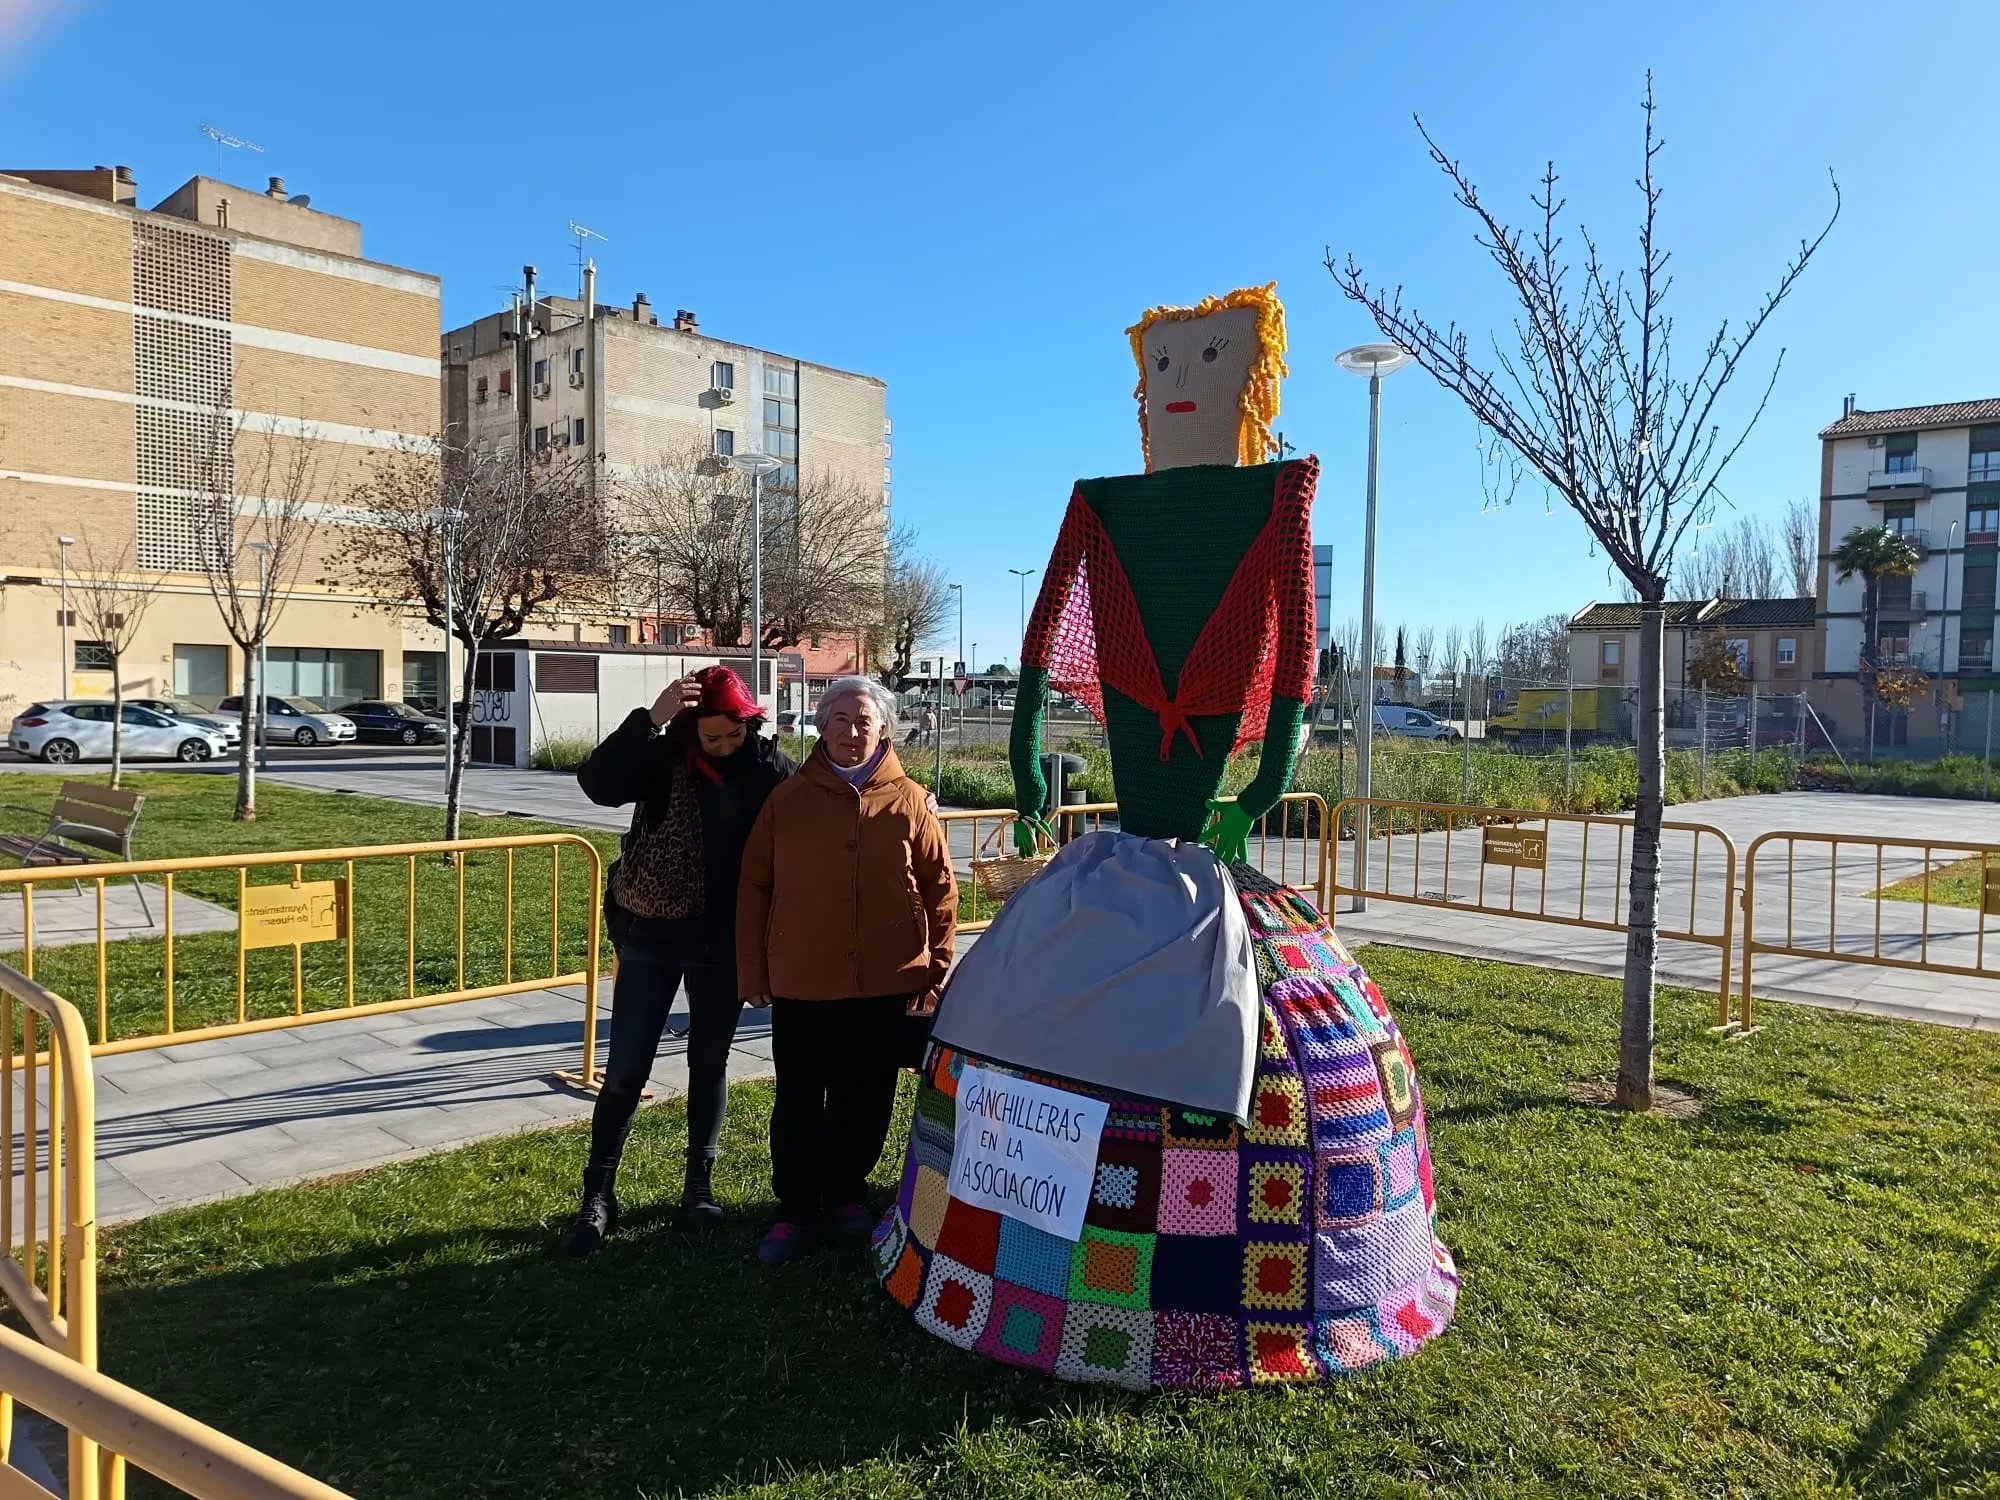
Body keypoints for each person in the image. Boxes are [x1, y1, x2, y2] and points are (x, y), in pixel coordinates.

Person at [873, 285, 1456, 1391]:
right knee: (1011, 1001)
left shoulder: (1279, 495)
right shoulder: (1099, 503)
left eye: (1211, 358)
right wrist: (1020, 758)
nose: (1183, 380)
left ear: (1254, 377)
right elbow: (1041, 648)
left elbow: (1291, 667)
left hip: (1203, 806)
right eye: (1164, 363)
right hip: (1122, 815)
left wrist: (1264, 781)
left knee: (1269, 1060)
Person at [557, 665, 794, 1257]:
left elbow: (814, 810)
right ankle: (598, 1198)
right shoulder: (663, 755)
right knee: (627, 1069)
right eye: (710, 737)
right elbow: (596, 782)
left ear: (748, 723)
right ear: (690, 727)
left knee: (708, 1064)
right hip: (651, 937)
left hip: (723, 943)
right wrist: (651, 718)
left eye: (731, 735)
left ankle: (699, 1188)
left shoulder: (766, 766)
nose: (721, 746)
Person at [736, 674, 956, 1265]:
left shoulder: (910, 799)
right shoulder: (787, 800)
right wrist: (752, 969)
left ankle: (849, 1194)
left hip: (886, 978)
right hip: (803, 977)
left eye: (865, 722)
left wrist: (935, 965)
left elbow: (939, 887)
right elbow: (756, 885)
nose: (852, 732)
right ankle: (797, 1207)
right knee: (801, 1096)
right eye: (841, 720)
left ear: (883, 728)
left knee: (867, 1095)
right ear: (821, 725)